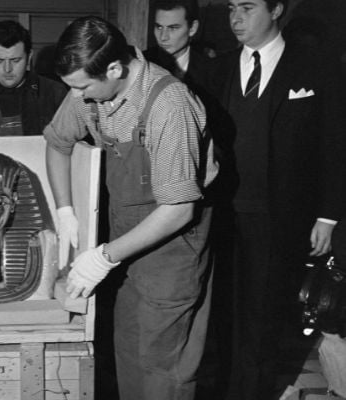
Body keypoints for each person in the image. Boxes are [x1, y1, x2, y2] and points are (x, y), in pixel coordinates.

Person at [44, 16, 217, 400]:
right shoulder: (87, 90)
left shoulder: (169, 105)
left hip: (173, 252)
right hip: (124, 243)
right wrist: (64, 210)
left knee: (163, 369)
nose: (81, 98)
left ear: (115, 68)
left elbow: (178, 209)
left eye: (84, 87)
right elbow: (57, 142)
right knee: (128, 353)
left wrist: (104, 257)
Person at [211, 0, 346, 398]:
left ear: (276, 10)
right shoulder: (216, 69)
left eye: (248, 7)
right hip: (222, 213)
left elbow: (335, 145)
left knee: (264, 316)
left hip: (281, 216)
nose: (236, 17)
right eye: (232, 8)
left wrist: (328, 216)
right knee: (224, 316)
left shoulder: (316, 66)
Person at [144, 0, 215, 95]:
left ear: (192, 28)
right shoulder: (142, 64)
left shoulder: (211, 71)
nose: (163, 37)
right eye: (159, 27)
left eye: (173, 28)